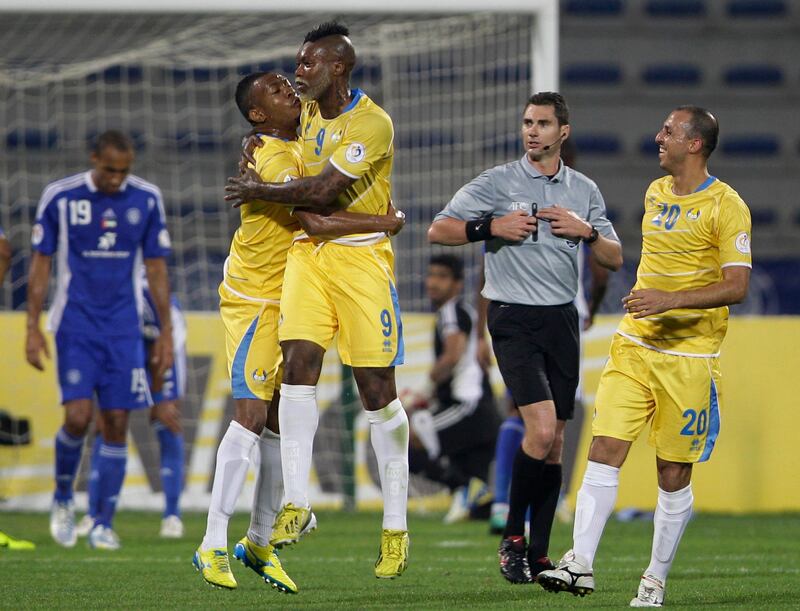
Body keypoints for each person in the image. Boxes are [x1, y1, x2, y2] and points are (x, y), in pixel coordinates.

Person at [194, 71, 405, 591]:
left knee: (276, 422)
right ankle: (211, 542)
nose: (291, 89)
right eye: (277, 91)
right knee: (247, 417)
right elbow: (314, 217)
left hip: (291, 289)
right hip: (253, 299)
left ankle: (261, 542)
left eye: (289, 82)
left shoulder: (307, 129)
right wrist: (386, 221)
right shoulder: (271, 153)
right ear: (259, 115)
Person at [538, 106, 751, 607]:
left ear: (694, 144)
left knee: (672, 474)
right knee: (604, 449)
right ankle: (579, 564)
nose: (658, 136)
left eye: (669, 131)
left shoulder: (727, 206)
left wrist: (670, 300)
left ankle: (653, 580)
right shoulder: (655, 193)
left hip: (690, 358)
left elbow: (736, 285)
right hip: (634, 345)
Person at [428, 92, 622, 584]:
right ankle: (511, 536)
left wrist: (587, 233)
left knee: (555, 441)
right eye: (527, 122)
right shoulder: (497, 182)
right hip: (513, 319)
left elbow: (615, 258)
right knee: (538, 430)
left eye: (542, 123)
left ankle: (539, 553)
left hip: (562, 321)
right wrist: (489, 226)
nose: (531, 131)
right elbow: (438, 230)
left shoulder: (584, 191)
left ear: (563, 132)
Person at [25, 130, 174, 551]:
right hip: (76, 325)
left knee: (117, 423)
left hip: (124, 328)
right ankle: (61, 498)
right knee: (77, 417)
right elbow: (41, 264)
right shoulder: (61, 197)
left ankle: (103, 522)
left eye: (124, 171)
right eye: (110, 170)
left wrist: (164, 332)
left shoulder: (145, 199)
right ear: (94, 159)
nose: (116, 179)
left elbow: (157, 269)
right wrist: (31, 327)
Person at [487, 139, 612, 534]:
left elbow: (605, 258)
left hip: (559, 318)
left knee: (549, 426)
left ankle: (519, 510)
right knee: (543, 424)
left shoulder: (570, 197)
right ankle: (511, 510)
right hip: (530, 315)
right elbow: (599, 269)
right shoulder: (534, 195)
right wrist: (593, 304)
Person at [76, 279, 188, 539]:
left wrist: (159, 396)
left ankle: (172, 515)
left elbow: (164, 350)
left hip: (163, 337)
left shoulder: (154, 300)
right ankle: (94, 514)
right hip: (122, 349)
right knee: (107, 425)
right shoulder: (99, 304)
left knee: (168, 421)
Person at [407, 254, 500, 524]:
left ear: (458, 284)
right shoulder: (459, 312)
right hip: (479, 410)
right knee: (480, 508)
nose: (433, 282)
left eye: (442, 276)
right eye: (431, 275)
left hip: (468, 408)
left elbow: (451, 356)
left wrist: (420, 394)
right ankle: (468, 491)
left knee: (406, 440)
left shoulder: (452, 311)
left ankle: (463, 487)